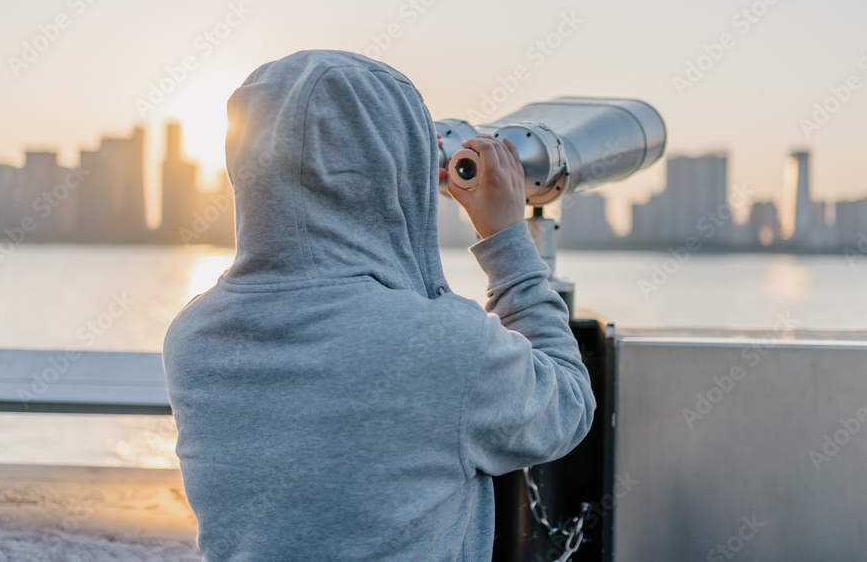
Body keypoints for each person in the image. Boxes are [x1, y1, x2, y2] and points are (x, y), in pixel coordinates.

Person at [162, 49, 596, 561]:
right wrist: (506, 239)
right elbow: (567, 406)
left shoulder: (193, 336)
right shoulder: (443, 346)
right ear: (398, 173)